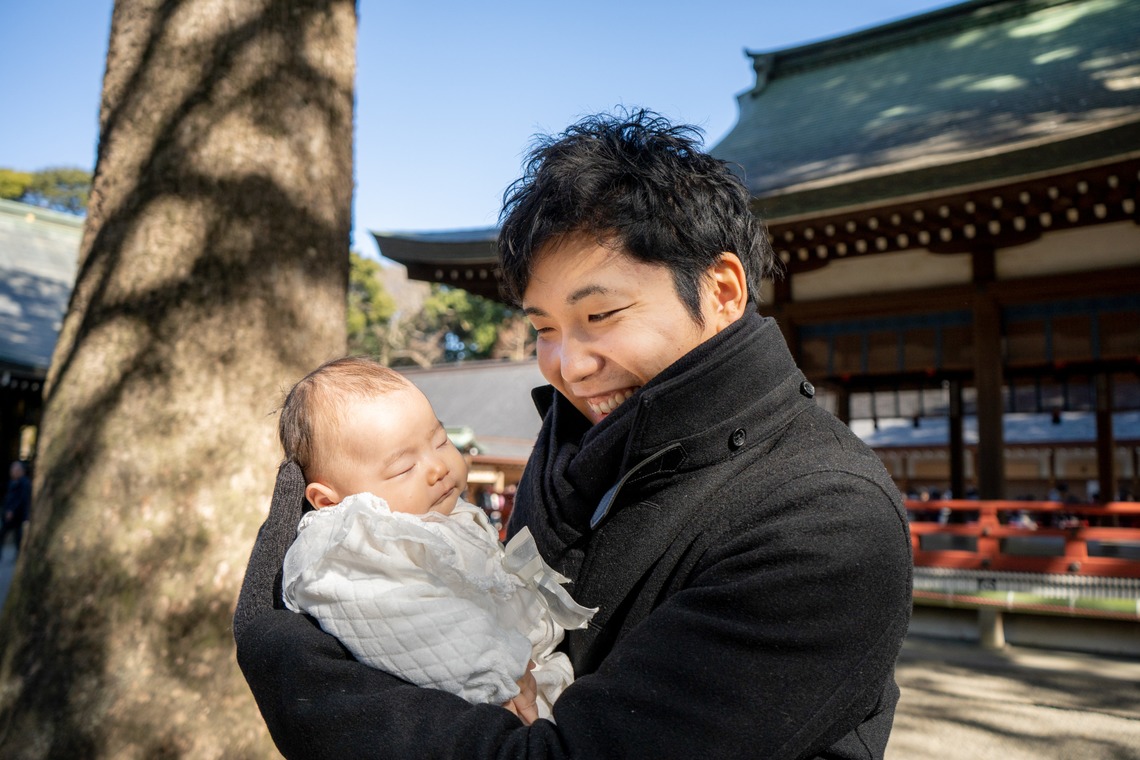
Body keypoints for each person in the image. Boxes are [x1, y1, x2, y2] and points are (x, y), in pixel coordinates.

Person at [235, 108, 913, 759]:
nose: (569, 364)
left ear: (723, 290)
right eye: (544, 328)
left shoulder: (827, 517)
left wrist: (279, 651)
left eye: (601, 314)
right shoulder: (573, 443)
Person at [276, 357, 595, 723]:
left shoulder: (434, 514)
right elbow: (412, 622)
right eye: (403, 467)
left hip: (534, 670)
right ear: (330, 501)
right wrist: (500, 668)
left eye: (440, 441)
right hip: (485, 695)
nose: (438, 466)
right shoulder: (348, 546)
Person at [1, 461, 31, 560]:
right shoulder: (12, 482)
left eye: (14, 469)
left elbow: (22, 499)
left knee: (18, 537)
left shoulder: (24, 483)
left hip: (18, 515)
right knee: (6, 535)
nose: (12, 472)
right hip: (11, 514)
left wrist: (12, 510)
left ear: (20, 471)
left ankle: (19, 556)